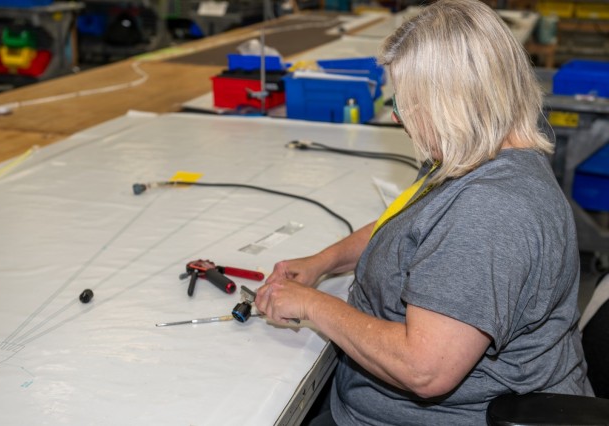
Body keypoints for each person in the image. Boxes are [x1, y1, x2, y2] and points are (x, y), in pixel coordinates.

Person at [254, 0, 593, 424]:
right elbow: (407, 222)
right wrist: (324, 261)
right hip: (371, 398)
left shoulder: (492, 208)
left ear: (452, 103)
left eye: (408, 102)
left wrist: (312, 305)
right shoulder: (472, 155)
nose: (399, 118)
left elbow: (424, 368)